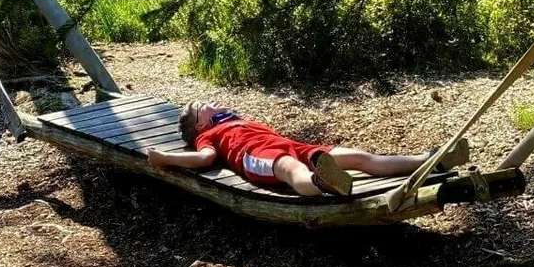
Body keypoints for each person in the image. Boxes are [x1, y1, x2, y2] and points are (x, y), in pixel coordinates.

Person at [146, 100, 469, 197]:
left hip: (294, 145)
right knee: (290, 169)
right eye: (201, 106)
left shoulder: (237, 120)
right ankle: (319, 183)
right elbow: (205, 159)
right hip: (256, 158)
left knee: (357, 156)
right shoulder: (210, 136)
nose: (209, 103)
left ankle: (431, 159)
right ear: (200, 126)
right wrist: (164, 158)